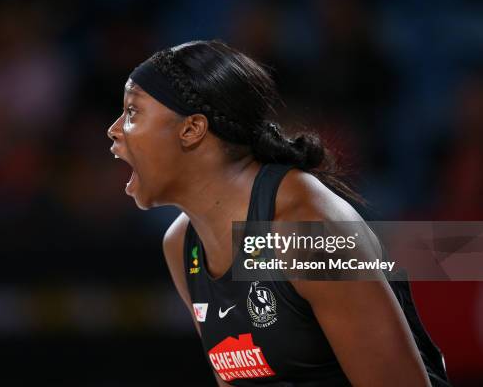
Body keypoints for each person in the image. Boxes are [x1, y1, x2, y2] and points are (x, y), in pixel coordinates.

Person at [107, 40, 450, 386]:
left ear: (192, 129)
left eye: (132, 113)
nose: (114, 130)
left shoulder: (305, 227)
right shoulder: (181, 244)